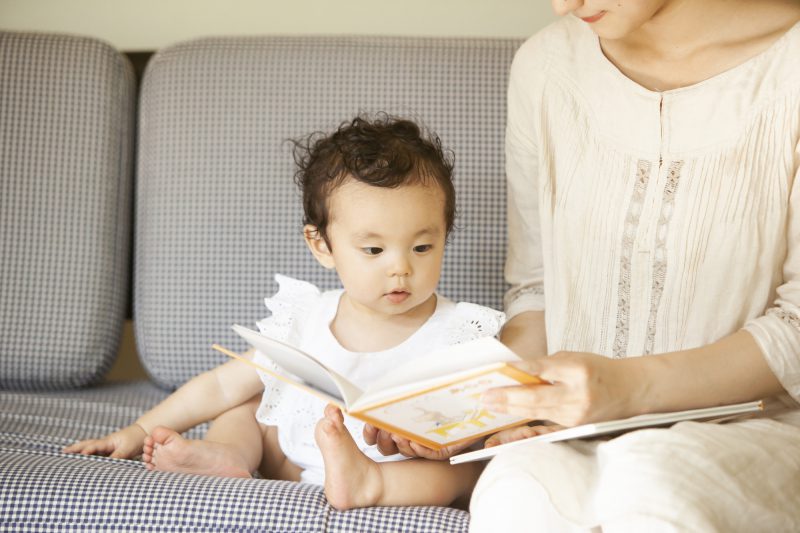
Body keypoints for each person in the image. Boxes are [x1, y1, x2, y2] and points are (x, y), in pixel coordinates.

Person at [365, 1, 800, 530]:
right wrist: (481, 409)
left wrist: (628, 389)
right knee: (516, 490)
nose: (563, 5)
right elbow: (536, 290)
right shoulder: (546, 66)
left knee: (650, 483)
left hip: (760, 432)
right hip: (565, 434)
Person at [64, 115, 502, 510]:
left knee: (465, 469)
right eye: (373, 250)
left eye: (423, 247)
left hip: (401, 470)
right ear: (322, 246)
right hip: (292, 461)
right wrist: (139, 431)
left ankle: (370, 484)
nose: (401, 267)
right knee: (247, 401)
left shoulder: (461, 331)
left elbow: (492, 415)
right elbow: (219, 385)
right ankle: (228, 454)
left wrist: (463, 431)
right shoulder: (306, 317)